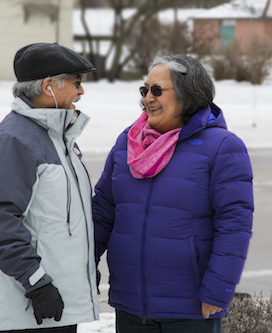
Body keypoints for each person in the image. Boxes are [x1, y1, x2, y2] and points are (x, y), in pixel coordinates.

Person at [92, 55, 254, 333]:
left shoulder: (222, 147)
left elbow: (234, 227)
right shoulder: (127, 144)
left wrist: (217, 290)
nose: (147, 99)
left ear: (188, 96)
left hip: (189, 308)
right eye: (144, 90)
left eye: (157, 90)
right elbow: (102, 214)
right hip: (130, 304)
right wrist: (86, 267)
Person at [0, 43, 99, 333]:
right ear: (48, 86)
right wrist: (36, 282)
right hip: (28, 310)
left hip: (56, 307)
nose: (81, 91)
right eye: (76, 82)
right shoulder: (12, 140)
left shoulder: (59, 137)